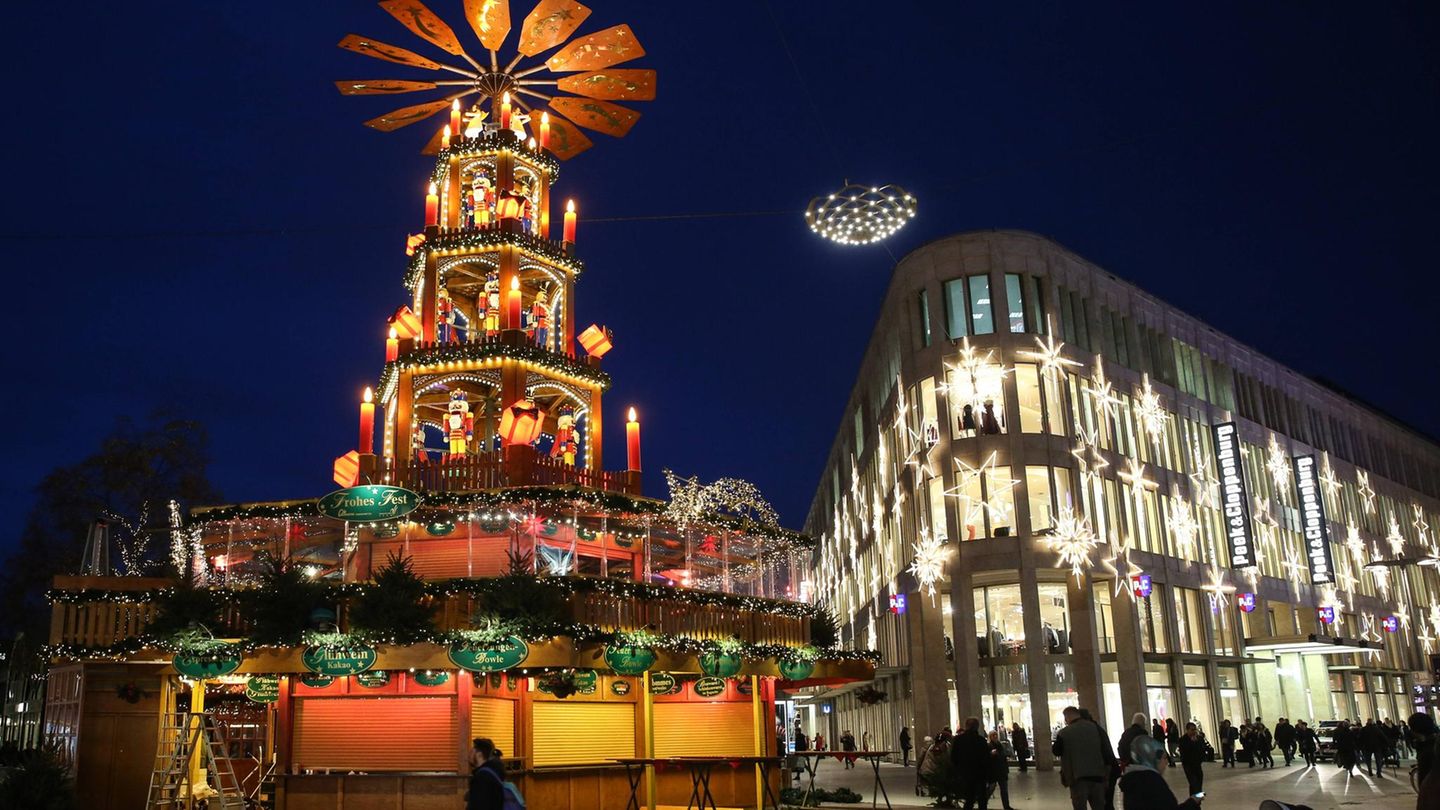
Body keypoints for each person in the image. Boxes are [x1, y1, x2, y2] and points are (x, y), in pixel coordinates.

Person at [1053, 706, 1115, 810]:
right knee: (1099, 806)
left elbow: (1056, 751)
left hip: (1077, 778)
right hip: (1097, 776)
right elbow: (1105, 751)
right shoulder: (1095, 728)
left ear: (1067, 717)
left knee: (1080, 806)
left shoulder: (1064, 733)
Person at [1118, 737, 1201, 809]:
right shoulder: (1153, 783)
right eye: (1164, 758)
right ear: (1153, 759)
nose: (1166, 763)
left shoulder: (1132, 780)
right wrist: (1192, 802)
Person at [951, 717, 992, 809]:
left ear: (966, 726)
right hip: (979, 775)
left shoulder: (958, 740)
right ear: (977, 727)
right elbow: (986, 759)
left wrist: (958, 771)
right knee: (982, 800)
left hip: (965, 774)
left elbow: (954, 758)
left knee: (969, 799)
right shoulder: (981, 741)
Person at [466, 738, 504, 810]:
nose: (469, 755)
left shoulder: (482, 778)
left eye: (471, 752)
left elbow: (480, 805)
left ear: (479, 755)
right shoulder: (493, 772)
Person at [987, 730, 1015, 810]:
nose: (995, 736)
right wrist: (991, 754)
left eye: (996, 735)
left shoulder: (1000, 745)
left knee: (1004, 790)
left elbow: (1004, 755)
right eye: (993, 735)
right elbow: (986, 758)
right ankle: (983, 802)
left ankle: (1006, 806)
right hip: (994, 771)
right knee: (991, 788)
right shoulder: (989, 746)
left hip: (1002, 770)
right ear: (990, 737)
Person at [1177, 722, 1206, 798]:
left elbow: (1202, 750)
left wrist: (1196, 743)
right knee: (1194, 783)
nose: (1194, 732)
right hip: (1188, 766)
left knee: (1198, 784)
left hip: (1197, 765)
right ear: (1187, 730)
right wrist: (1192, 743)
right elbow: (1184, 753)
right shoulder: (1183, 740)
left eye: (1195, 730)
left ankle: (1195, 801)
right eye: (1192, 730)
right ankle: (1196, 800)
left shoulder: (1199, 739)